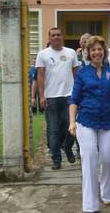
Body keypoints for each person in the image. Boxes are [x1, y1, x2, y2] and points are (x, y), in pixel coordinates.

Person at [68, 36, 110, 213]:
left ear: (104, 52)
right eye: (93, 50)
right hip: (86, 121)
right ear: (88, 53)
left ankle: (106, 191)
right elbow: (74, 99)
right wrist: (72, 122)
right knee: (89, 160)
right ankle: (90, 205)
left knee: (108, 159)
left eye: (100, 49)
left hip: (109, 121)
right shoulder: (82, 73)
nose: (97, 52)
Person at [36, 27, 79, 170]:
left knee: (72, 127)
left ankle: (67, 147)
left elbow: (76, 74)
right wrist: (41, 96)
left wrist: (79, 94)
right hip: (51, 98)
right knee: (53, 130)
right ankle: (56, 159)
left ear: (62, 37)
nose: (56, 37)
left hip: (69, 97)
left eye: (58, 34)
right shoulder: (42, 54)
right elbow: (40, 76)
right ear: (49, 38)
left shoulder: (71, 52)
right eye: (53, 35)